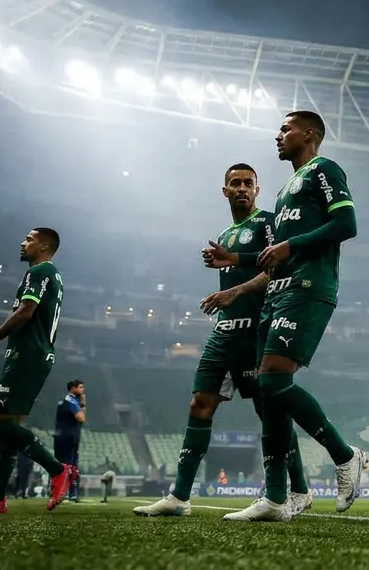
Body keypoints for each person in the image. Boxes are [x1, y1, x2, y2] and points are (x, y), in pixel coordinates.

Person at [134, 163, 310, 518]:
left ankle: (298, 490)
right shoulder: (225, 234)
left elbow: (277, 269)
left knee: (269, 412)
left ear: (257, 190)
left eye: (248, 183)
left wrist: (235, 292)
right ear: (225, 191)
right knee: (200, 403)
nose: (242, 188)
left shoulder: (267, 223)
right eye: (235, 183)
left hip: (257, 331)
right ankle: (179, 497)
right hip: (224, 331)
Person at [219, 111, 367, 522]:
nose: (278, 135)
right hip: (277, 292)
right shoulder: (286, 189)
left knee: (272, 380)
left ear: (310, 134)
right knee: (267, 394)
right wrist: (237, 259)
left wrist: (291, 246)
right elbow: (275, 254)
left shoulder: (324, 169)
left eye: (286, 129)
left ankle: (345, 454)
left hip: (308, 287)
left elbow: (347, 223)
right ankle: (276, 498)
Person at [0, 227, 76, 514]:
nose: (23, 243)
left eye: (29, 239)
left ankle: (58, 470)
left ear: (44, 246)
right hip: (35, 354)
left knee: (1, 424)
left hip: (28, 354)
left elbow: (25, 312)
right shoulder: (53, 275)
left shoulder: (39, 271)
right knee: (10, 428)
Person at [54, 380, 86, 502]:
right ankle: (72, 493)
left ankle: (57, 491)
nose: (82, 390)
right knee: (71, 466)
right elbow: (81, 418)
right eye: (80, 387)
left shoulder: (63, 401)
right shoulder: (71, 401)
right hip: (70, 437)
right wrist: (83, 404)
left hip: (61, 436)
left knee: (61, 465)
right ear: (73, 388)